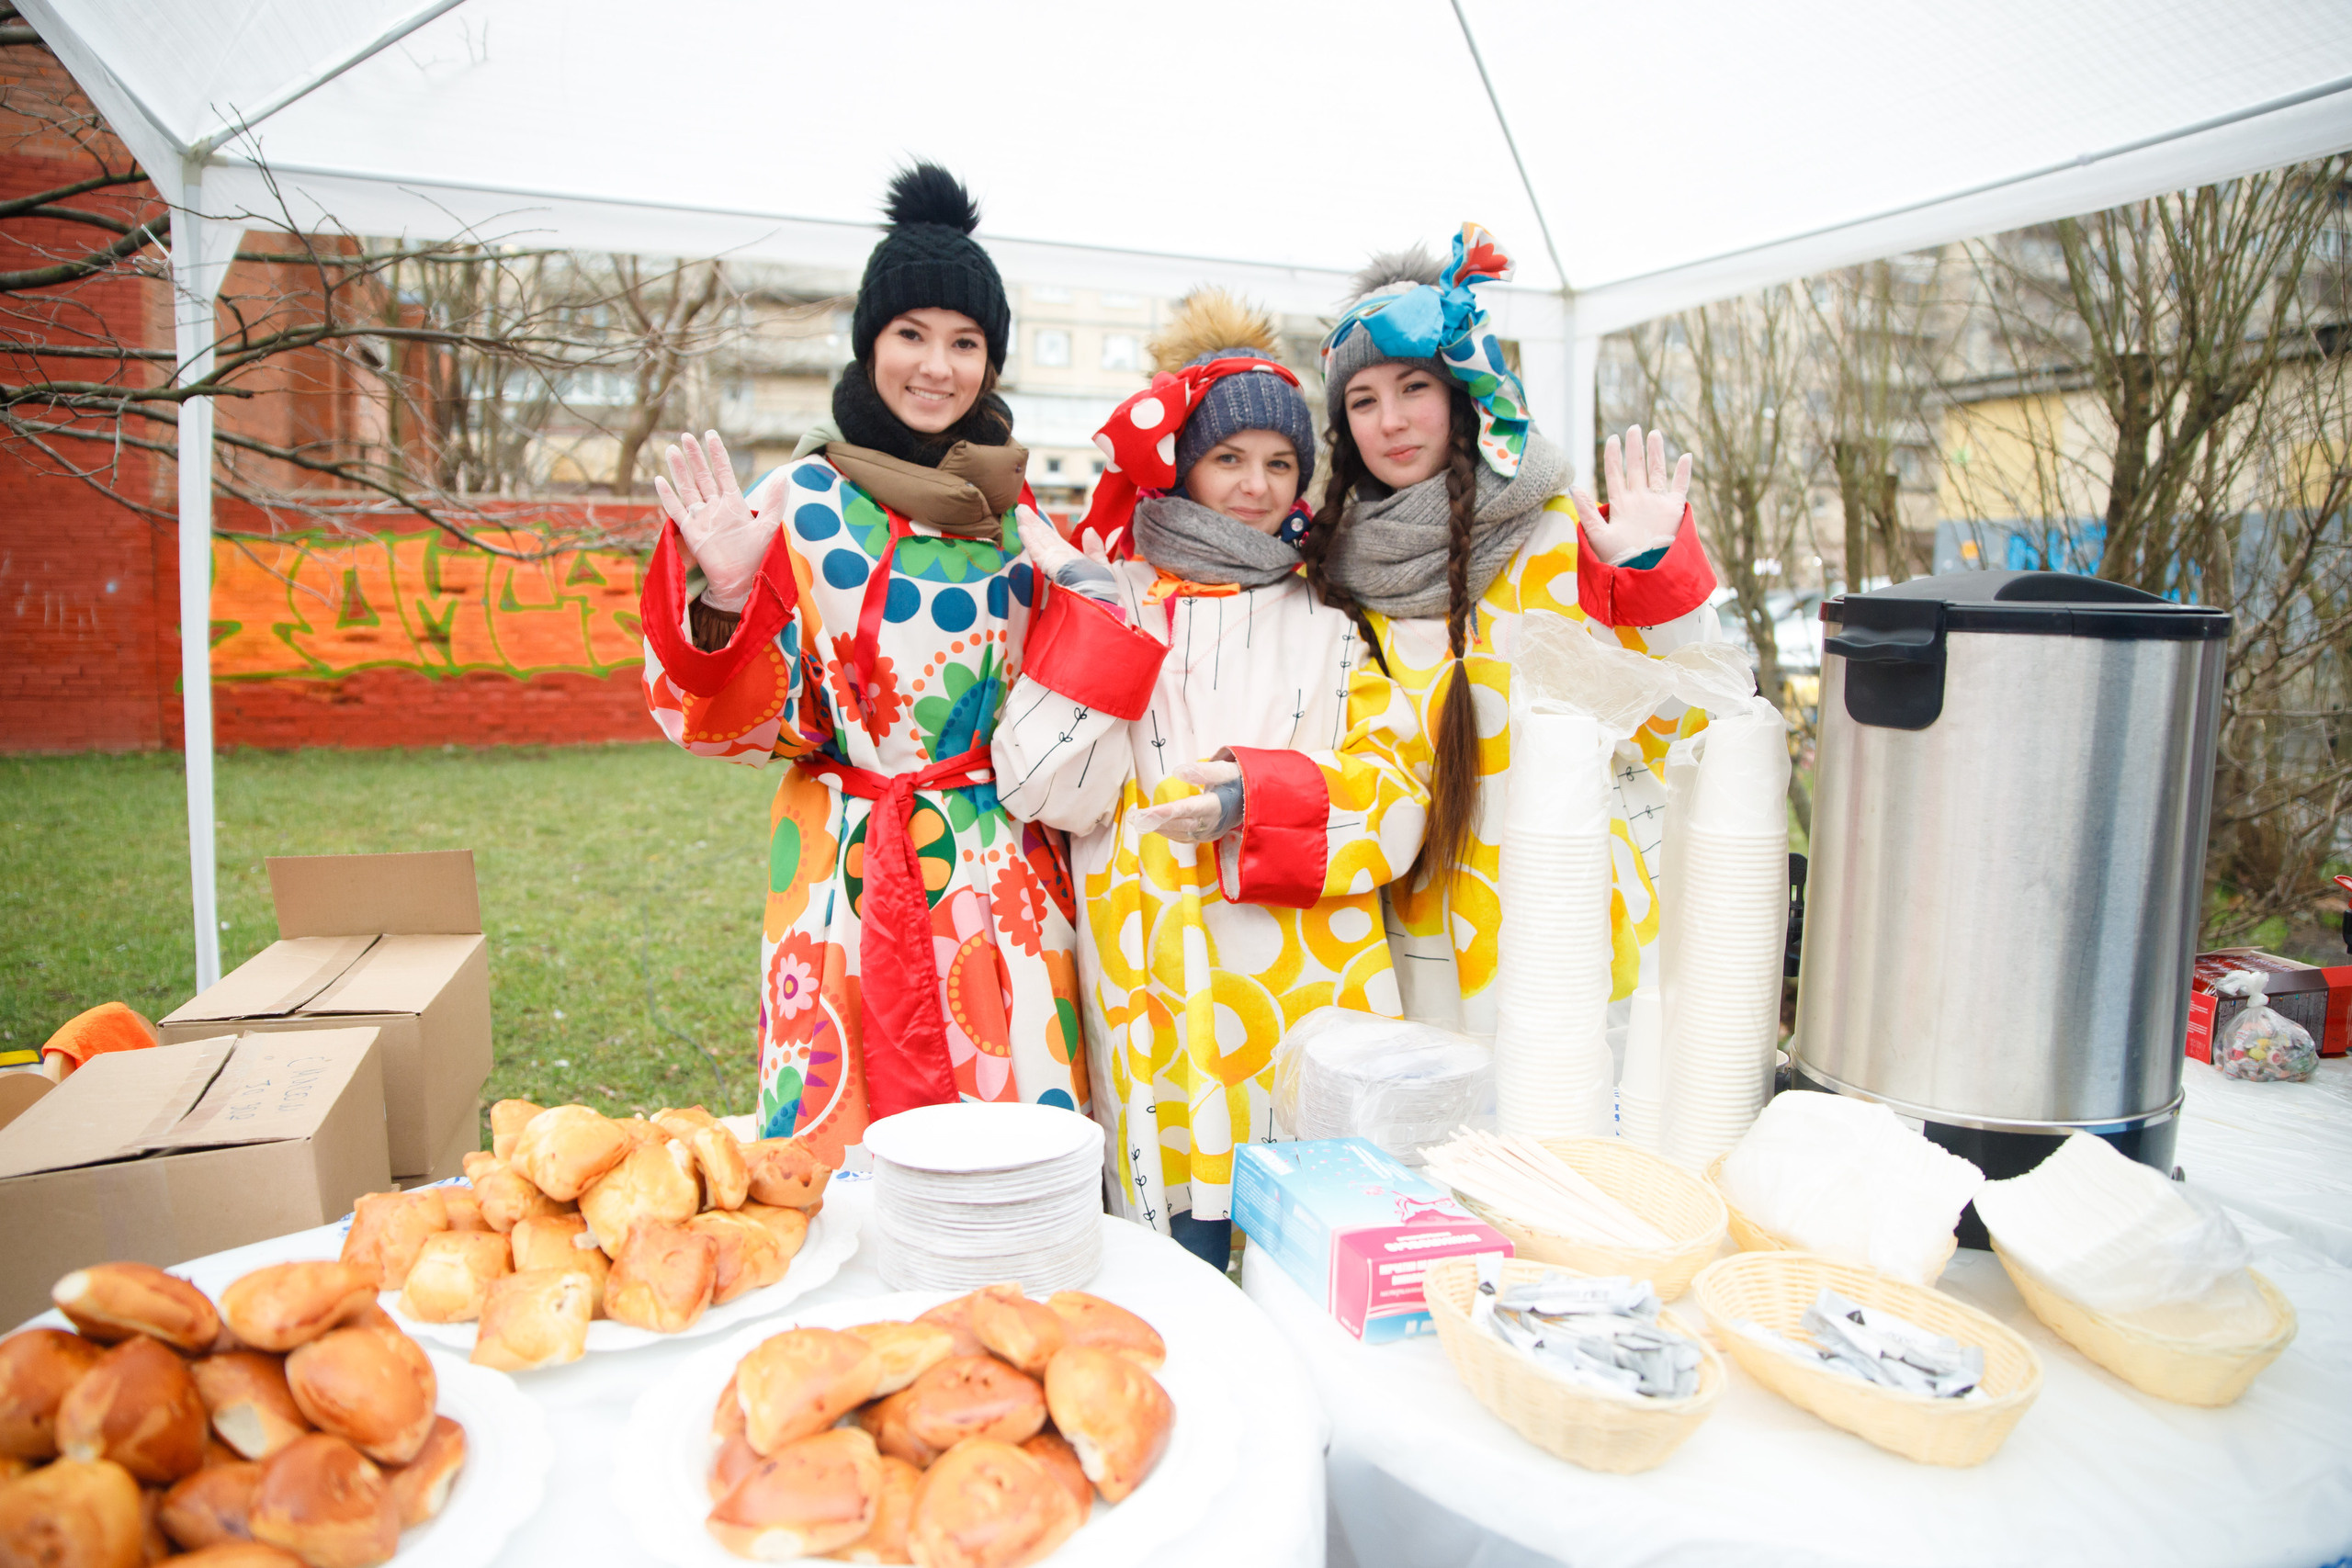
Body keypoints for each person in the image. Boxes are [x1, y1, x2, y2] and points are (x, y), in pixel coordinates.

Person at [637, 164, 1165, 1162]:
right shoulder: (801, 498)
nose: (938, 366)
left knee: (1007, 1131)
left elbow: (1074, 708)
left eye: (965, 343)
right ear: (870, 344)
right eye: (911, 335)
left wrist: (1094, 607)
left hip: (995, 869)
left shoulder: (1021, 517)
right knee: (843, 1132)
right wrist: (724, 598)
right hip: (841, 863)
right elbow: (716, 727)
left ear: (991, 363)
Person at [992, 291, 1428, 1269]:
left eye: (1279, 463)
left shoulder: (1328, 623)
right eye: (1228, 457)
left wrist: (1252, 799)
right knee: (1169, 1249)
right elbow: (1044, 789)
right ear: (1183, 462)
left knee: (1300, 1242)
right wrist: (1096, 632)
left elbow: (1396, 790)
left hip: (1293, 978)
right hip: (1145, 977)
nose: (1254, 484)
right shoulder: (1115, 594)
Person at [1301, 224, 1721, 1038]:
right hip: (1417, 957)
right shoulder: (1338, 578)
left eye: (1413, 386)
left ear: (1460, 390)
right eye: (1362, 400)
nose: (1391, 421)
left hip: (1573, 930)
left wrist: (1654, 583)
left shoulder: (1555, 531)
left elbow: (1677, 732)